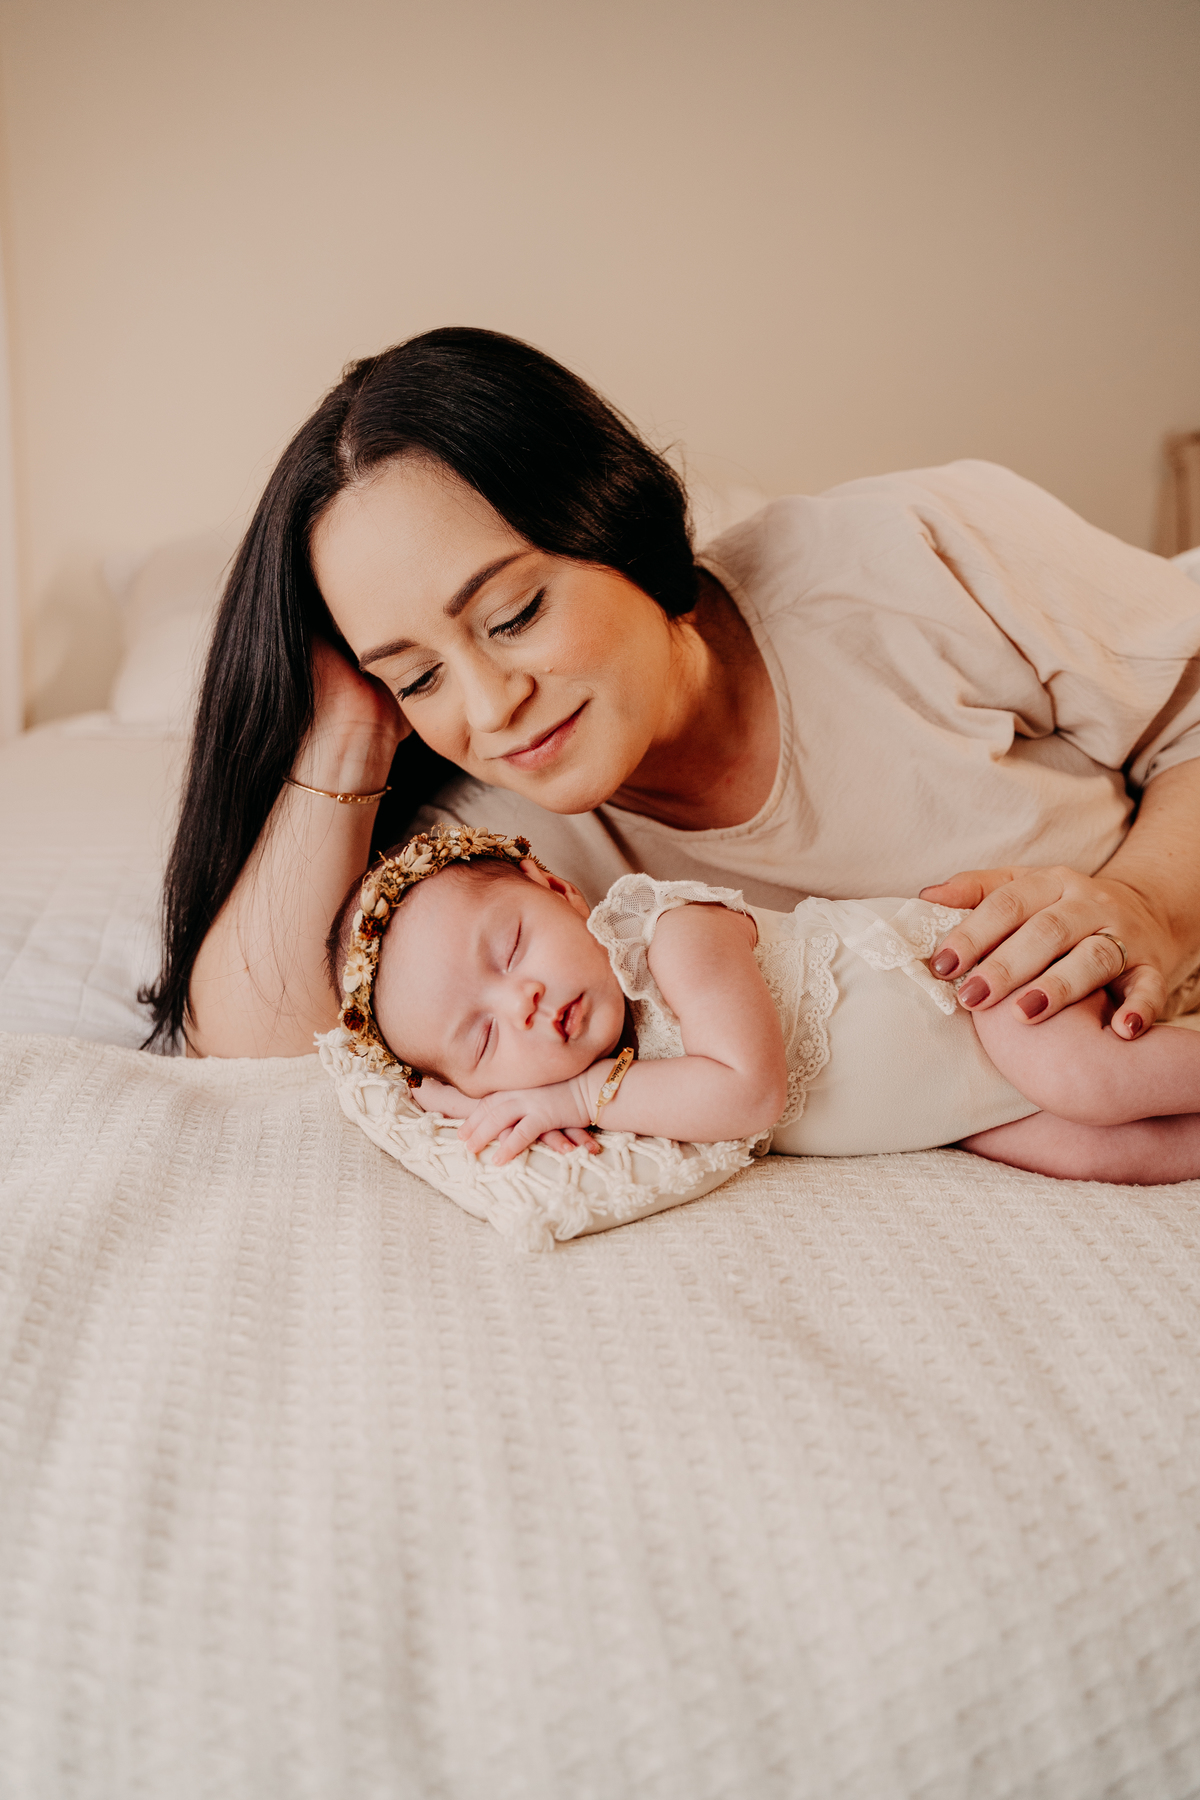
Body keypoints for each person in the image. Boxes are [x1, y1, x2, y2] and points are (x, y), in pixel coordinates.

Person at [146, 327, 1200, 1060]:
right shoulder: (496, 849)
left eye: (514, 614)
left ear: (614, 521)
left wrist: (1150, 905)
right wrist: (347, 731)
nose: (492, 706)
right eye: (418, 673)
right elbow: (253, 1051)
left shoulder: (909, 557)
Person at [330, 826, 1200, 1184]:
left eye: (512, 947)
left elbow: (748, 1092)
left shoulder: (673, 933)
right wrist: (477, 1102)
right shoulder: (617, 1077)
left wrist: (569, 1095)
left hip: (978, 988)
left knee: (1086, 1078)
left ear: (556, 888)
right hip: (960, 1109)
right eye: (482, 1039)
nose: (519, 1003)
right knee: (1099, 1153)